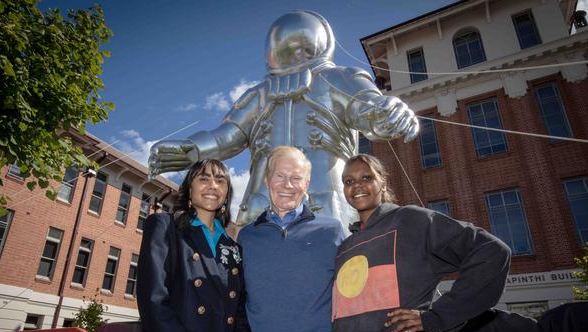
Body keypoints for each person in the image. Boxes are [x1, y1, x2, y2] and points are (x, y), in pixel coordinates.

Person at [147, 10, 419, 231]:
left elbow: (370, 110)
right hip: (260, 207)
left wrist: (391, 112)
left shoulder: (336, 78)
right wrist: (191, 149)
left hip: (326, 205)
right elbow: (227, 136)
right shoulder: (260, 94)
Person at [322, 154, 512, 332]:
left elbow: (492, 251)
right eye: (348, 181)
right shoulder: (345, 247)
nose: (357, 185)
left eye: (366, 178)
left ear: (382, 182)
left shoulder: (411, 220)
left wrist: (436, 316)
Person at [127, 159, 253, 332]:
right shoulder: (164, 227)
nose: (213, 185)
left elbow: (239, 313)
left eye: (220, 181)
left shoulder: (234, 248)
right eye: (204, 178)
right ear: (189, 188)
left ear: (227, 194)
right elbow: (154, 299)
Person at [236, 146, 345, 332]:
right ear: (267, 180)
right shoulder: (246, 236)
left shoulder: (332, 231)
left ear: (306, 184)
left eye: (296, 178)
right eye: (280, 176)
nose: (288, 185)